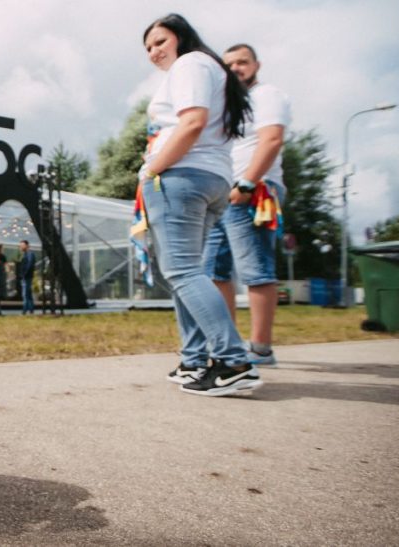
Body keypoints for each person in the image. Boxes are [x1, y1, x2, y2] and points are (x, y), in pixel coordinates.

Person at [137, 13, 262, 396]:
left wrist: (150, 169)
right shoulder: (212, 72)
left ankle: (233, 360)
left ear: (181, 37)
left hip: (182, 177)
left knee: (182, 271)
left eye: (159, 41)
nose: (154, 52)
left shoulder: (191, 64)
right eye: (148, 48)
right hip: (211, 179)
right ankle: (194, 360)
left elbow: (191, 124)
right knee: (188, 273)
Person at [203, 43, 291, 367]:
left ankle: (261, 349)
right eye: (230, 64)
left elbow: (271, 139)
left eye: (243, 62)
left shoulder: (266, 95)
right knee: (213, 271)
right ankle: (230, 346)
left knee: (255, 271)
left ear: (257, 64)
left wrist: (247, 183)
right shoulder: (229, 105)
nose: (236, 68)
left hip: (254, 192)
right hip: (223, 195)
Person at [17, 240, 36, 314]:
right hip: (27, 276)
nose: (20, 247)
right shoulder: (26, 254)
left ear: (27, 245)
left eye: (22, 245)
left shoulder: (29, 254)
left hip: (27, 277)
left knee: (25, 294)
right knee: (28, 294)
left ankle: (24, 310)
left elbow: (29, 265)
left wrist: (24, 274)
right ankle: (31, 310)